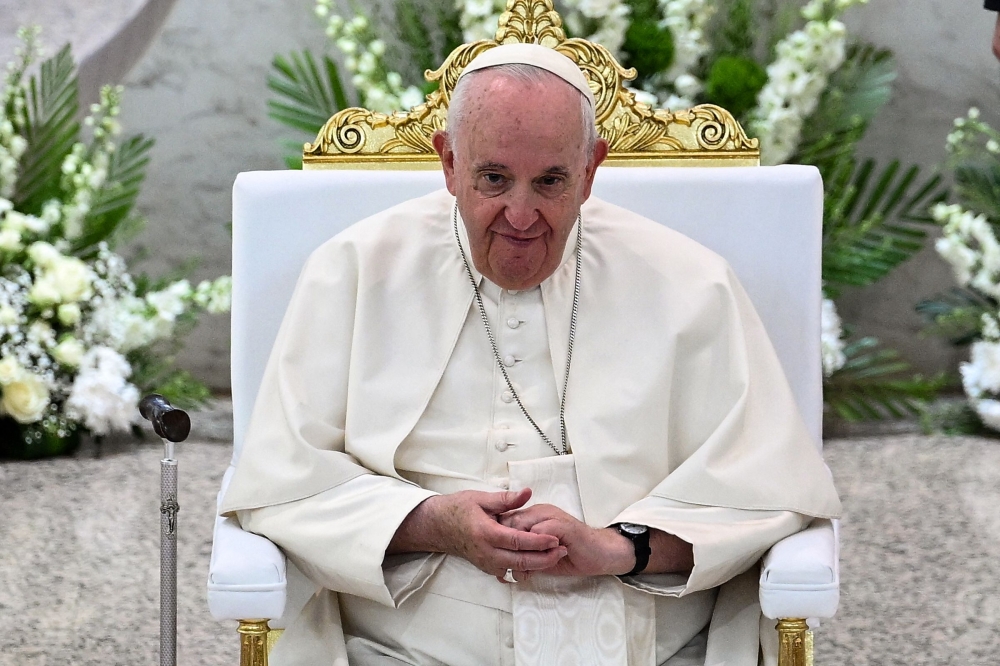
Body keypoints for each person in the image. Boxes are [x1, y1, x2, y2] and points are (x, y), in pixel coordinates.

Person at [220, 43, 841, 666]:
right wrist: (437, 522)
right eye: (493, 179)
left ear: (591, 170)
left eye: (550, 181)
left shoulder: (690, 283)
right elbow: (282, 481)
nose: (521, 216)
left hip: (639, 645)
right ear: (449, 164)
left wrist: (619, 547)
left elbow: (766, 488)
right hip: (404, 648)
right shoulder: (353, 271)